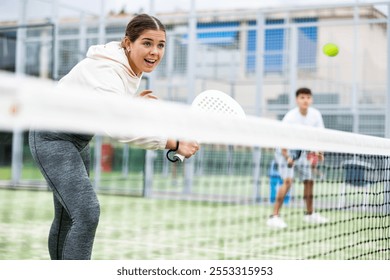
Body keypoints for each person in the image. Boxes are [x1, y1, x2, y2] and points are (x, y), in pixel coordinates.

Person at [29, 14, 199, 260]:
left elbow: (105, 104)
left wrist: (130, 104)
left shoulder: (130, 66)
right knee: (87, 213)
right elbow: (119, 128)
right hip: (52, 136)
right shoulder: (107, 69)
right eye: (147, 43)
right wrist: (174, 143)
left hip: (78, 139)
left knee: (68, 216)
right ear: (128, 43)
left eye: (160, 45)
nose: (155, 52)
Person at [267, 87, 327, 229]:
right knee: (288, 182)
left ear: (311, 99)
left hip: (302, 152)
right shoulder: (290, 117)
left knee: (309, 181)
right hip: (285, 151)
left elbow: (321, 136)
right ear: (297, 100)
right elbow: (282, 139)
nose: (305, 100)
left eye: (308, 97)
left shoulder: (315, 115)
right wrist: (288, 157)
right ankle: (274, 216)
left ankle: (310, 214)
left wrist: (319, 153)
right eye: (302, 97)